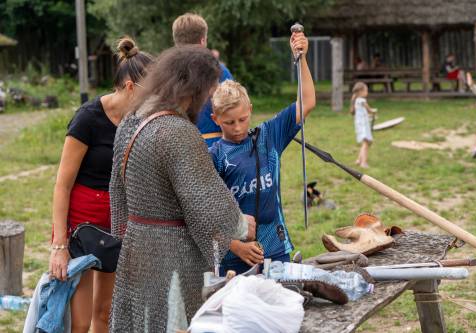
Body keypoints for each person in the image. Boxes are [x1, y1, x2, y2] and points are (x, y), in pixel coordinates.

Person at [108, 46, 255, 332]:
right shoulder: (178, 132)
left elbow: (117, 192)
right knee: (172, 324)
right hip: (173, 256)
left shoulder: (131, 119)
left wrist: (125, 238)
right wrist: (239, 224)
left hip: (136, 247)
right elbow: (205, 202)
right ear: (195, 87)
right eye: (208, 91)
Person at [49, 37, 153, 333]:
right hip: (80, 227)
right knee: (79, 322)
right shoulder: (87, 119)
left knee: (105, 313)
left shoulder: (139, 122)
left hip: (115, 222)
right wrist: (59, 245)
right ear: (131, 86)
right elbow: (62, 185)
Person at [209, 30, 315, 275]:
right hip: (234, 260)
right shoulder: (213, 156)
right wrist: (235, 246)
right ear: (215, 119)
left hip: (276, 247)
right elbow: (205, 215)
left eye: (243, 119)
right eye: (229, 122)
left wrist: (302, 59)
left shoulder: (268, 136)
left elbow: (307, 102)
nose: (237, 128)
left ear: (251, 110)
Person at [172, 13, 233, 147]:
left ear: (176, 43)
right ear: (202, 41)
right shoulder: (219, 71)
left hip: (178, 147)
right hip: (216, 147)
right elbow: (233, 110)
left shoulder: (166, 74)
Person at [350, 82, 377, 168]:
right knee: (366, 143)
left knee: (366, 143)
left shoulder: (356, 101)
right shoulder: (362, 100)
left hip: (361, 125)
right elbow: (369, 110)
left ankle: (358, 160)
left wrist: (369, 116)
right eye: (366, 90)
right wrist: (373, 111)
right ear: (361, 91)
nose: (367, 92)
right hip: (363, 126)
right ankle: (363, 163)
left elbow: (362, 113)